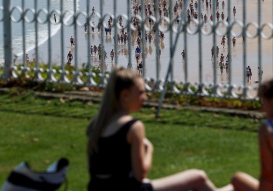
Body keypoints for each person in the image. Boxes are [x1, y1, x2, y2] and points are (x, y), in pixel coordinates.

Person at [86, 68, 229, 191]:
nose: (145, 97)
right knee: (198, 177)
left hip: (101, 187)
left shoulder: (98, 124)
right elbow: (140, 175)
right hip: (127, 188)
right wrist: (149, 149)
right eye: (141, 93)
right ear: (125, 95)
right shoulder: (133, 127)